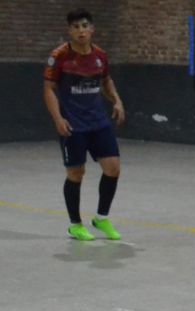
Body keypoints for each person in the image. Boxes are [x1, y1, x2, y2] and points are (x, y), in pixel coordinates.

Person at [44, 8, 125, 241]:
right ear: (69, 30)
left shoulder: (100, 55)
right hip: (73, 124)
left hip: (98, 122)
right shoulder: (59, 56)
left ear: (92, 29)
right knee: (76, 173)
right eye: (76, 27)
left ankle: (101, 218)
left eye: (84, 26)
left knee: (113, 168)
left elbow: (106, 80)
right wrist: (58, 118)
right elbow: (48, 89)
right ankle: (75, 225)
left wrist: (117, 100)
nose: (81, 31)